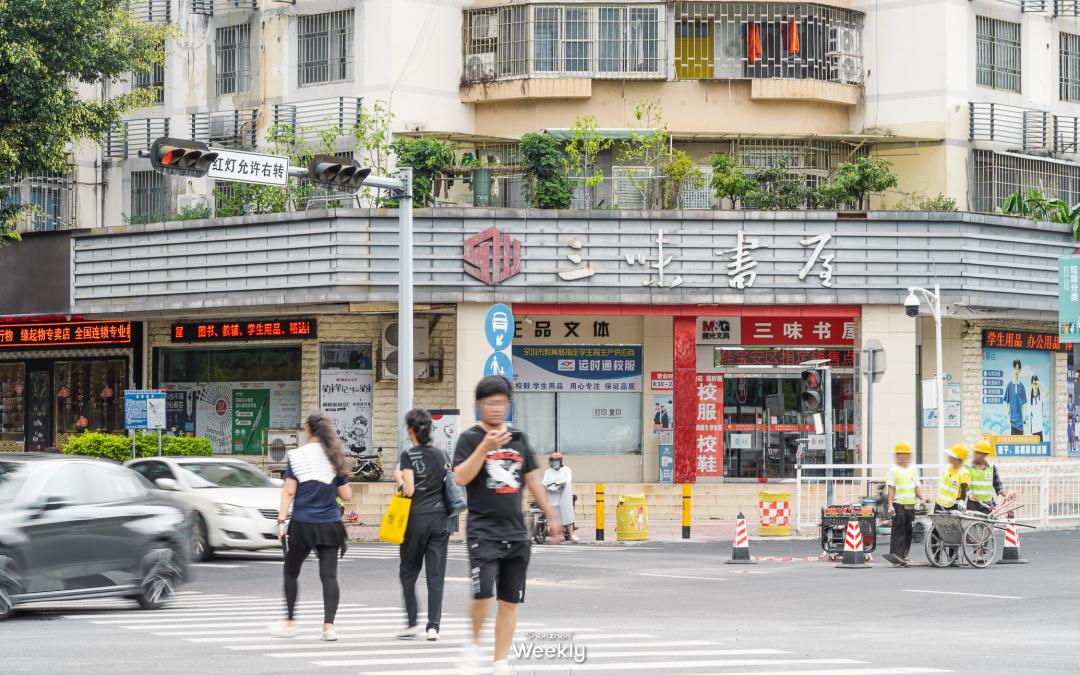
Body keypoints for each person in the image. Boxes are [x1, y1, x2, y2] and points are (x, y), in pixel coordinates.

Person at [453, 375, 561, 675]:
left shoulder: (519, 439)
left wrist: (552, 517)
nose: (497, 408)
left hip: (516, 533)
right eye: (491, 403)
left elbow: (532, 480)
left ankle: (500, 662)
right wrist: (485, 447)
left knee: (509, 601)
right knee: (482, 594)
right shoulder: (469, 439)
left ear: (508, 404)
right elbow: (460, 478)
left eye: (502, 402)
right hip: (482, 532)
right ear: (479, 405)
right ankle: (473, 646)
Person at [271, 412, 352, 642]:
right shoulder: (334, 457)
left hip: (303, 524)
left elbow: (288, 491)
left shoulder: (296, 456)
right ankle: (328, 627)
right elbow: (346, 495)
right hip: (330, 525)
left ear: (308, 429)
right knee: (329, 576)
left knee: (291, 571)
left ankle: (290, 622)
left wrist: (281, 521)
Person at [396, 408, 451, 642]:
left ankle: (411, 622)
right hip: (440, 520)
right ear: (429, 430)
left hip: (416, 520)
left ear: (411, 430)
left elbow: (409, 490)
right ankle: (433, 627)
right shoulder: (442, 455)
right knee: (435, 575)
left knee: (408, 572)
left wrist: (398, 477)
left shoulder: (408, 455)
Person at [883, 441, 924, 567]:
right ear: (896, 456)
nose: (902, 456)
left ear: (908, 456)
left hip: (910, 505)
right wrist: (890, 505)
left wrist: (922, 499)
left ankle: (904, 555)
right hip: (898, 504)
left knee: (908, 530)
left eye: (904, 454)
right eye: (899, 454)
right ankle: (896, 555)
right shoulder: (893, 470)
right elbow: (891, 488)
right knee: (898, 529)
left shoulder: (913, 470)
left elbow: (916, 486)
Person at [542, 451, 578, 543]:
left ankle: (570, 534)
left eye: (556, 461)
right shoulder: (548, 472)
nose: (555, 463)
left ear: (560, 461)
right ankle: (557, 533)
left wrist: (558, 482)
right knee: (553, 514)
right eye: (553, 461)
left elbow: (568, 480)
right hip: (553, 494)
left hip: (564, 493)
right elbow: (544, 482)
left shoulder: (566, 469)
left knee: (567, 513)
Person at [967, 440, 1008, 514]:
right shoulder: (968, 468)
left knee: (986, 525)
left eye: (979, 452)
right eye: (975, 452)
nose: (976, 454)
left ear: (985, 454)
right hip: (972, 504)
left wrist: (1007, 495)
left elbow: (998, 486)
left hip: (988, 505)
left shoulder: (991, 468)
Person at [936, 444, 971, 513]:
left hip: (953, 507)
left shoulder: (964, 472)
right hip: (939, 503)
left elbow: (964, 488)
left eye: (951, 456)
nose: (948, 457)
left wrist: (962, 500)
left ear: (957, 459)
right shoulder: (948, 468)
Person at [1003, 359, 1027, 435]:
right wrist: (1007, 420)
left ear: (1020, 371)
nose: (1017, 371)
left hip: (1020, 424)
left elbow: (1023, 406)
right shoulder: (1009, 385)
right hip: (1012, 423)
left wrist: (1024, 421)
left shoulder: (1022, 386)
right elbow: (1007, 405)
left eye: (1018, 369)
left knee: (1020, 446)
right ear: (1013, 369)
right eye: (1015, 368)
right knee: (1012, 445)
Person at [1028, 375, 1044, 441]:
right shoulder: (1029, 399)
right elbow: (1028, 415)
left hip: (1040, 428)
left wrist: (1039, 383)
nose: (1035, 385)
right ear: (1031, 384)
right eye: (1033, 384)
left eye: (1036, 384)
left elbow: (1048, 392)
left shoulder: (1040, 397)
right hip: (1033, 430)